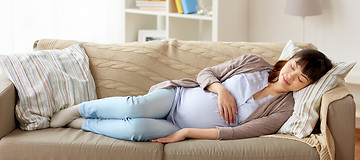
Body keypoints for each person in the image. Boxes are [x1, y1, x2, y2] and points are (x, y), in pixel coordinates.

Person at [50, 49, 333, 143]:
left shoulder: (285, 109)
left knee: (137, 129)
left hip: (178, 125)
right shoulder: (253, 62)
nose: (291, 76)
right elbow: (205, 73)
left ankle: (84, 124)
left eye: (301, 79)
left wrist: (185, 132)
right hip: (178, 98)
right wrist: (221, 89)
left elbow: (240, 132)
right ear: (290, 59)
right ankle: (78, 109)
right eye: (294, 66)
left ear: (305, 85)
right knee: (135, 106)